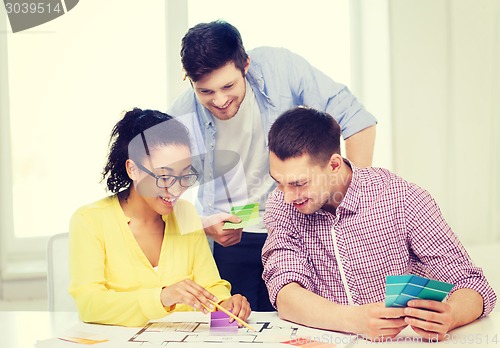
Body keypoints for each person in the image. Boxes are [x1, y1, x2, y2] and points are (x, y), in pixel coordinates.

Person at [167, 20, 377, 311]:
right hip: (231, 237)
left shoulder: (281, 68)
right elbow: (156, 201)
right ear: (189, 81)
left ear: (246, 65)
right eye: (205, 92)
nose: (220, 100)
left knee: (304, 322)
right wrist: (203, 225)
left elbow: (357, 120)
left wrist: (348, 201)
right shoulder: (180, 116)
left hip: (296, 225)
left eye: (228, 85)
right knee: (236, 329)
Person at [262, 107, 496, 341]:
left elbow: (471, 284)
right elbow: (285, 293)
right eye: (279, 183)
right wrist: (355, 320)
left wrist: (452, 315)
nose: (288, 197)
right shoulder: (280, 205)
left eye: (299, 183)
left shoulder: (401, 198)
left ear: (334, 165)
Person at [69, 108, 250, 327]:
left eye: (185, 176)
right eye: (164, 177)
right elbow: (90, 304)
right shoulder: (90, 221)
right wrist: (162, 297)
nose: (175, 189)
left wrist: (226, 303)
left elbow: (210, 284)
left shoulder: (185, 213)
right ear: (133, 169)